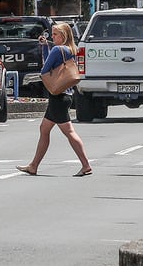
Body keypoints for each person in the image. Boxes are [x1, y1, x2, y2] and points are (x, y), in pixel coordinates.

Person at [16, 22, 92, 178]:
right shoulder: (71, 49)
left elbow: (45, 69)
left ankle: (86, 165)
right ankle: (33, 166)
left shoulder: (58, 49)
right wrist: (46, 47)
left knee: (69, 132)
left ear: (63, 36)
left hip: (58, 97)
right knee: (44, 129)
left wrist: (45, 51)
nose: (52, 37)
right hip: (65, 95)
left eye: (55, 34)